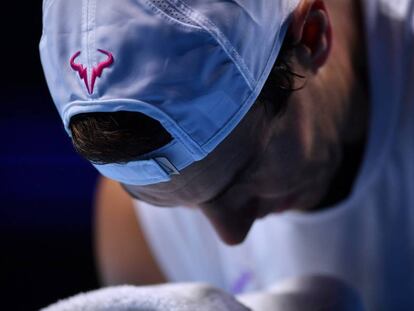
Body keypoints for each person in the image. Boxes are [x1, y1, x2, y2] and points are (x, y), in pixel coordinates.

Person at [40, 0, 414, 310]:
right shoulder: (136, 223)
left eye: (242, 176)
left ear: (313, 37)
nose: (231, 235)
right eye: (175, 205)